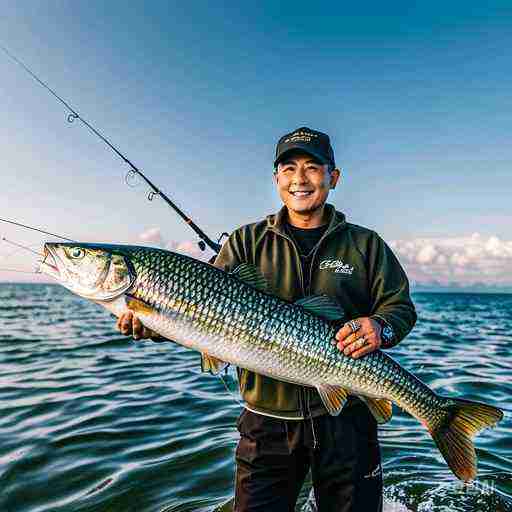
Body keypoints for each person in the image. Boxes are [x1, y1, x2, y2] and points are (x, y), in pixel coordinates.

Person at [116, 127, 417, 511]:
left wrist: (380, 326)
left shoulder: (366, 244)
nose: (300, 179)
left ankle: (443, 419)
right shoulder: (245, 242)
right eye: (289, 168)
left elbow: (401, 309)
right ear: (277, 179)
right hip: (266, 423)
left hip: (348, 421)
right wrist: (153, 326)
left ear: (333, 177)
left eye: (312, 167)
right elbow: (199, 314)